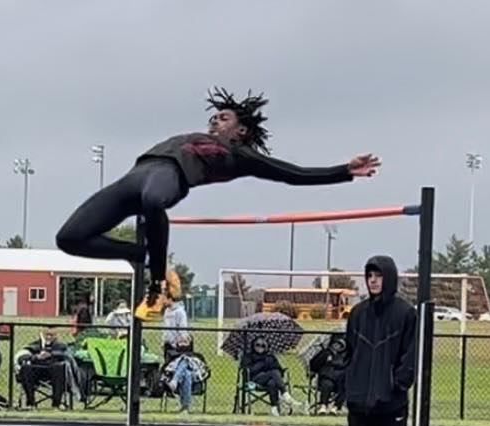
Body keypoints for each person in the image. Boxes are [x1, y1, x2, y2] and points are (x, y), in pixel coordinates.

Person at [55, 87, 380, 321]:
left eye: (222, 118)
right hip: (135, 176)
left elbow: (293, 174)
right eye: (213, 117)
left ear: (240, 129)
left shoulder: (240, 155)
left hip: (169, 176)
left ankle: (156, 288)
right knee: (69, 238)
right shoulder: (197, 136)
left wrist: (343, 171)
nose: (214, 121)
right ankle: (137, 254)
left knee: (154, 201)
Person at [344, 256, 416, 426]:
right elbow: (350, 353)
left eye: (378, 275)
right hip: (359, 403)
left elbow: (411, 355)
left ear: (389, 277)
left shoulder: (405, 313)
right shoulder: (358, 313)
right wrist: (349, 382)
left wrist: (398, 384)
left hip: (391, 403)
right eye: (369, 275)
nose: (373, 280)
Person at [17, 328, 70, 409]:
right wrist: (35, 357)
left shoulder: (61, 346)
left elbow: (66, 355)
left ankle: (56, 404)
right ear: (42, 335)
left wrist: (51, 354)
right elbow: (21, 357)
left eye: (51, 335)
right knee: (25, 368)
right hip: (37, 370)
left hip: (53, 371)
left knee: (60, 368)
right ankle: (30, 403)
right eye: (46, 335)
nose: (48, 337)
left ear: (56, 336)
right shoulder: (34, 345)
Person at [241, 336, 295, 416]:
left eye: (263, 345)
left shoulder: (270, 357)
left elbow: (280, 371)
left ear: (266, 346)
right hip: (254, 381)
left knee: (272, 382)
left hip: (269, 380)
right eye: (258, 345)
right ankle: (284, 393)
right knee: (273, 373)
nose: (260, 347)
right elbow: (249, 371)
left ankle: (274, 408)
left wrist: (271, 364)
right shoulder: (248, 356)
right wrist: (262, 363)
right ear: (253, 345)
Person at [309, 332, 347, 413]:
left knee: (346, 385)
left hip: (340, 379)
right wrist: (324, 357)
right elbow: (314, 365)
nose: (337, 346)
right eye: (336, 344)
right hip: (326, 378)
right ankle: (323, 405)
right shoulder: (325, 353)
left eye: (340, 345)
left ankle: (336, 406)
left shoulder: (345, 355)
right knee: (327, 384)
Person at [162, 292, 191, 363]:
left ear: (170, 299)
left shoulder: (180, 312)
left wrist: (182, 342)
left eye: (164, 299)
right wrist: (163, 341)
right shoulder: (166, 311)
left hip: (177, 346)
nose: (163, 302)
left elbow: (182, 328)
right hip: (167, 344)